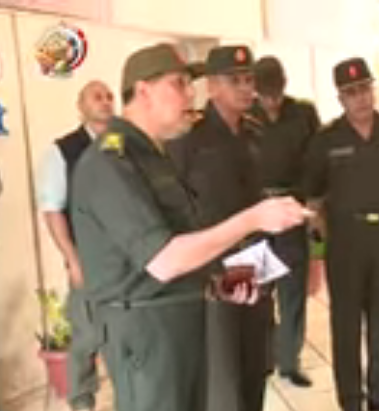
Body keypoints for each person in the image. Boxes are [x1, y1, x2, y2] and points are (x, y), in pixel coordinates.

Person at [70, 43, 309, 411]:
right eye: (178, 84)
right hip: (148, 332)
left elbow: (184, 234)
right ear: (144, 91)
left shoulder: (155, 154)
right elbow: (164, 260)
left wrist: (220, 282)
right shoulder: (111, 162)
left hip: (193, 310)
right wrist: (254, 218)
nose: (190, 94)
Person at [303, 57, 379, 411]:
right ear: (341, 98)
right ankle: (350, 399)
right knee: (346, 322)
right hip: (345, 239)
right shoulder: (326, 140)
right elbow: (312, 195)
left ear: (373, 90)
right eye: (351, 92)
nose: (361, 97)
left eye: (365, 88)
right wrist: (318, 248)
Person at [167, 45, 274, 411]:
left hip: (254, 262)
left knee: (255, 365)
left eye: (249, 80)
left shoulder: (255, 133)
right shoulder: (188, 139)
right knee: (223, 378)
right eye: (235, 81)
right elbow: (176, 211)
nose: (246, 88)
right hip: (213, 268)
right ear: (212, 86)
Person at [37, 80, 114, 411]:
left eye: (109, 96)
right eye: (97, 97)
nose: (106, 102)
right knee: (86, 337)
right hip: (88, 258)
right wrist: (73, 258)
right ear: (80, 107)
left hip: (125, 258)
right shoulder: (63, 151)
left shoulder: (122, 145)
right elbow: (52, 210)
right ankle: (82, 402)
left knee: (123, 333)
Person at [250, 55, 321, 387]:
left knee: (293, 292)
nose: (272, 101)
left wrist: (314, 208)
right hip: (256, 216)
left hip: (292, 212)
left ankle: (290, 361)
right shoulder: (246, 116)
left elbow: (316, 161)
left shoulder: (302, 114)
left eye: (276, 92)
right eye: (266, 94)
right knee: (258, 292)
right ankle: (263, 357)